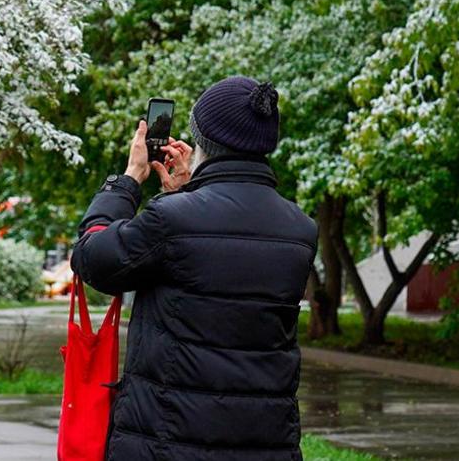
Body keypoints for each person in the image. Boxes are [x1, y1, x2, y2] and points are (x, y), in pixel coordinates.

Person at [72, 77, 316, 460]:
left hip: (170, 442)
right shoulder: (299, 228)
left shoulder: (173, 221)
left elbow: (94, 259)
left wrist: (126, 182)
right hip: (265, 444)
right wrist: (188, 194)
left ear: (203, 141)